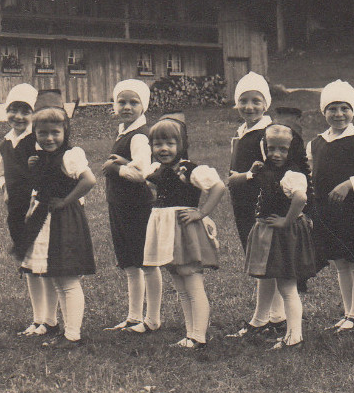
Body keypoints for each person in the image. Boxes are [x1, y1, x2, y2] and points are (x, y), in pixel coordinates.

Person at [15, 89, 97, 349]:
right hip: (42, 218)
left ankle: (72, 334)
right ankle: (49, 322)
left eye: (55, 133)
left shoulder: (71, 155)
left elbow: (89, 180)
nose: (49, 138)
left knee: (66, 279)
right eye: (43, 133)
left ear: (65, 132)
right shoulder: (40, 157)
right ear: (35, 134)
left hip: (63, 219)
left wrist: (67, 200)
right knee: (47, 273)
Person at [141, 113, 226, 349]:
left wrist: (201, 212)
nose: (164, 149)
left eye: (170, 143)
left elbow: (218, 187)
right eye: (158, 144)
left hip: (183, 231)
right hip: (167, 232)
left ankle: (198, 336)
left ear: (182, 145)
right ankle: (190, 333)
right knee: (180, 284)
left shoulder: (189, 169)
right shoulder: (159, 169)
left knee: (192, 281)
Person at [0, 83, 60, 337]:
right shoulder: (5, 142)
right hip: (15, 210)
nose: (18, 116)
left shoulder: (36, 138)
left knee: (43, 263)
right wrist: (4, 187)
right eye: (13, 110)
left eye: (25, 110)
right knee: (28, 264)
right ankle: (37, 318)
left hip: (37, 210)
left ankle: (50, 319)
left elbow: (50, 170)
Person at [307, 81, 354, 333]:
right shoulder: (315, 143)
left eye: (344, 108)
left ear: (353, 110)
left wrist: (349, 184)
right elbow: (310, 174)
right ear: (323, 111)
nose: (338, 114)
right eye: (332, 109)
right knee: (340, 262)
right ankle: (347, 313)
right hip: (327, 212)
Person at [242, 122, 317, 350]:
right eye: (271, 147)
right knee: (265, 277)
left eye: (282, 150)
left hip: (284, 232)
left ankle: (294, 336)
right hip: (268, 229)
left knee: (286, 285)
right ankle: (260, 321)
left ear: (292, 150)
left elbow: (300, 198)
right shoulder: (267, 168)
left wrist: (287, 220)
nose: (276, 154)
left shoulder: (293, 174)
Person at [225, 72, 287, 341]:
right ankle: (276, 317)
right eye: (243, 100)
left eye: (255, 101)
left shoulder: (267, 133)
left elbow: (273, 170)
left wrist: (246, 177)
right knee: (259, 258)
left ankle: (264, 319)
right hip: (243, 202)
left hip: (261, 202)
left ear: (266, 104)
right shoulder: (242, 132)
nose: (249, 107)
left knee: (265, 259)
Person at [101, 79, 161, 334]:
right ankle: (134, 316)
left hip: (138, 206)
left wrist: (115, 168)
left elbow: (143, 173)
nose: (126, 107)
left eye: (133, 102)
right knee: (129, 263)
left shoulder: (139, 135)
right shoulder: (124, 131)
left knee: (146, 261)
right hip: (120, 205)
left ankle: (152, 319)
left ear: (143, 105)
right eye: (121, 102)